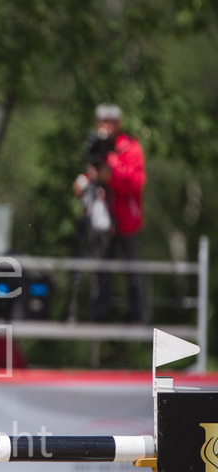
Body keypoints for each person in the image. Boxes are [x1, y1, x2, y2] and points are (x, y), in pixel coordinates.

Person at [73, 104, 147, 323]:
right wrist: (85, 181)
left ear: (118, 122)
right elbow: (93, 174)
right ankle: (99, 313)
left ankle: (136, 314)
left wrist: (110, 176)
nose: (106, 125)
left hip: (125, 219)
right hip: (103, 217)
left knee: (131, 268)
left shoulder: (130, 148)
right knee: (101, 266)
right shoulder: (97, 147)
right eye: (102, 121)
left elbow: (135, 183)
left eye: (110, 120)